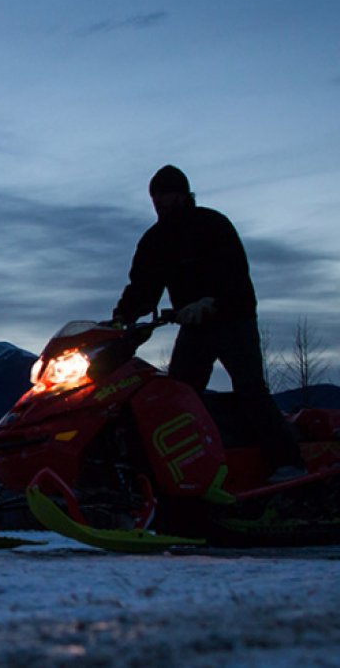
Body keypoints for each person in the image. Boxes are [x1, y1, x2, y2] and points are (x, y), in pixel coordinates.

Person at [112, 164, 305, 483]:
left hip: (234, 320)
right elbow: (142, 287)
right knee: (178, 395)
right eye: (156, 197)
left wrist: (210, 302)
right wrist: (121, 318)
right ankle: (189, 468)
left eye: (167, 195)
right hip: (195, 328)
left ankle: (288, 462)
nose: (161, 203)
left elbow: (235, 276)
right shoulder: (155, 240)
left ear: (183, 195)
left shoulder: (213, 225)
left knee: (250, 388)